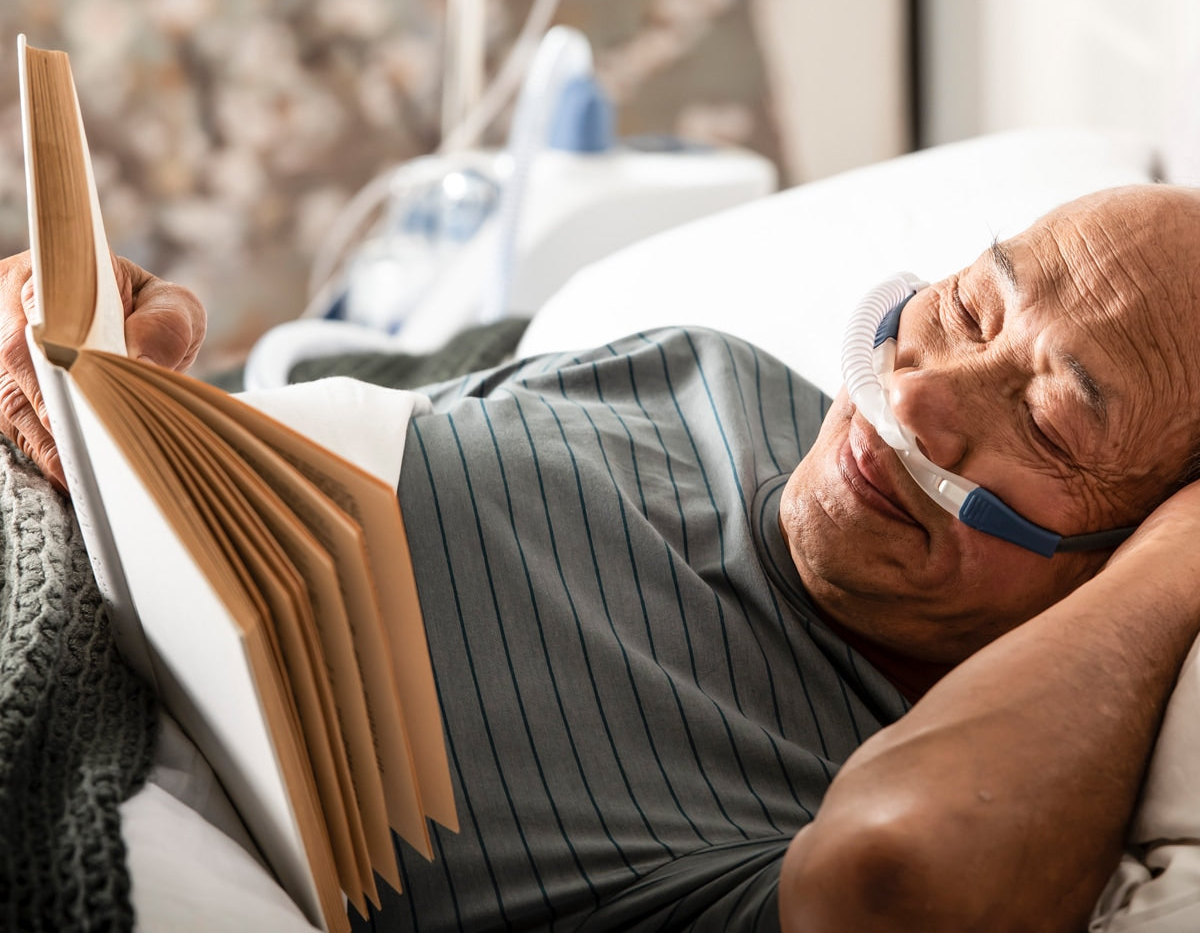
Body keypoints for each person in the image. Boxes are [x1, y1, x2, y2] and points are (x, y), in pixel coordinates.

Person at [2, 182, 1200, 933]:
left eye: (1053, 423)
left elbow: (902, 885)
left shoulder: (840, 795)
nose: (924, 397)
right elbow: (257, 445)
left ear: (1125, 543)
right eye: (971, 310)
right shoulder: (697, 366)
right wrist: (81, 355)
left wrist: (1176, 566)